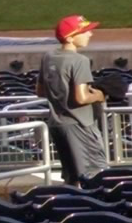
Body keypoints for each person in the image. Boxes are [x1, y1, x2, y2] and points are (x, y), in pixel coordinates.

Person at [36, 16, 108, 183]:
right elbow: (81, 98)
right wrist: (100, 94)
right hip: (80, 125)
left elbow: (40, 91)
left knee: (71, 178)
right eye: (84, 31)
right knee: (95, 176)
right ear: (70, 38)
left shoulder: (48, 56)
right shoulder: (79, 60)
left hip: (57, 125)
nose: (90, 34)